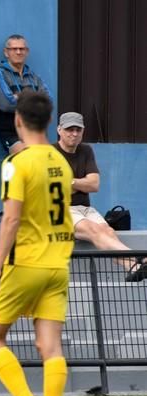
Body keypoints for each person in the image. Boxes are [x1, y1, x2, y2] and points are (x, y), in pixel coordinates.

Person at [0, 91, 73, 396]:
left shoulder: (16, 163)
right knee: (50, 348)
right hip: (58, 265)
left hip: (26, 263)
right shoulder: (60, 162)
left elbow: (12, 217)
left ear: (18, 120)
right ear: (50, 122)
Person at [54, 112, 147, 282]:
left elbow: (94, 185)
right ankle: (140, 258)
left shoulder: (85, 150)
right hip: (60, 209)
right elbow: (56, 188)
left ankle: (132, 266)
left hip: (85, 208)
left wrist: (71, 182)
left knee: (108, 231)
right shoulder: (51, 153)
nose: (74, 134)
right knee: (94, 229)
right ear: (59, 130)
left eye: (78, 129)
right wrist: (81, 183)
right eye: (69, 129)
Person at [0, 34, 51, 155]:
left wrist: (19, 97)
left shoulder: (33, 77)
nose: (18, 52)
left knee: (47, 158)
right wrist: (34, 100)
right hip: (11, 133)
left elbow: (48, 102)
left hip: (37, 132)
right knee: (27, 155)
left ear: (27, 52)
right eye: (14, 49)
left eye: (22, 49)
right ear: (6, 52)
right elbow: (6, 104)